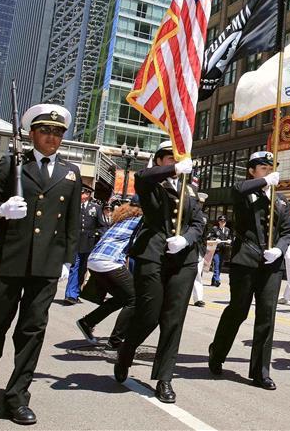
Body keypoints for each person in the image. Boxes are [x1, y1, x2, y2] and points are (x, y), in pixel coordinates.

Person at [0, 103, 81, 425]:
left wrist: (67, 261)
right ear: (32, 133)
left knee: (32, 330)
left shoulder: (70, 173)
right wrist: (2, 209)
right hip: (10, 261)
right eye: (46, 131)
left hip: (46, 264)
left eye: (58, 132)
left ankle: (17, 396)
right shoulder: (12, 164)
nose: (52, 137)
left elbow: (72, 223)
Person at [114, 141, 205, 404]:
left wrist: (186, 238)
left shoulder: (190, 189)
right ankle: (126, 351)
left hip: (184, 259)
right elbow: (141, 176)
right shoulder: (151, 183)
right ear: (160, 161)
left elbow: (199, 222)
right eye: (169, 159)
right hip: (153, 254)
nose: (174, 163)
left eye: (177, 159)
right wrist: (174, 169)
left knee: (173, 319)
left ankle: (164, 378)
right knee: (149, 315)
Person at [208, 151, 290, 391]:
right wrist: (265, 182)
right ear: (252, 171)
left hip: (271, 266)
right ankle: (217, 352)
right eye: (263, 167)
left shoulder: (282, 199)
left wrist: (279, 250)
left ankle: (260, 371)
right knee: (238, 311)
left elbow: (287, 231)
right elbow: (238, 190)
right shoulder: (244, 192)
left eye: (271, 167)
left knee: (267, 316)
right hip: (245, 261)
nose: (269, 170)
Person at [76, 197, 142, 349]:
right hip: (109, 261)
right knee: (135, 299)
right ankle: (115, 342)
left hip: (95, 260)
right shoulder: (138, 220)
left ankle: (87, 322)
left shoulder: (123, 218)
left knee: (122, 298)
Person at [65, 184, 109, 304]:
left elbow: (102, 226)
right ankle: (70, 294)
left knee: (83, 269)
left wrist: (97, 235)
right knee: (75, 267)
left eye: (84, 193)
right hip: (75, 242)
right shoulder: (73, 206)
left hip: (89, 242)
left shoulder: (95, 208)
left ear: (88, 194)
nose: (82, 195)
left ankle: (76, 292)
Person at [208, 214, 231, 287]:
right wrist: (215, 239)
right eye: (221, 221)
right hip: (216, 250)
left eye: (224, 221)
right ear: (219, 222)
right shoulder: (215, 229)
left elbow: (231, 237)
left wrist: (230, 240)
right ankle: (217, 280)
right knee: (216, 264)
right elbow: (210, 237)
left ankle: (213, 281)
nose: (222, 222)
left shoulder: (227, 230)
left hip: (224, 250)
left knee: (220, 266)